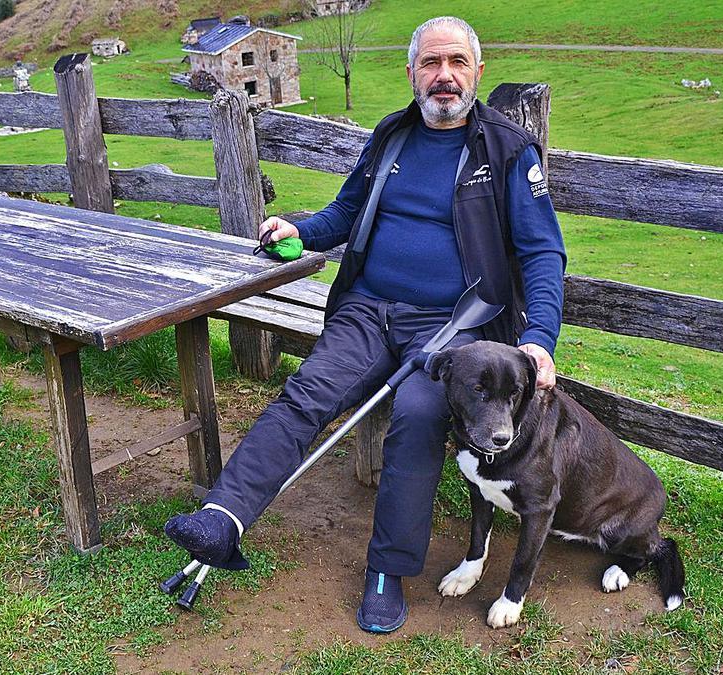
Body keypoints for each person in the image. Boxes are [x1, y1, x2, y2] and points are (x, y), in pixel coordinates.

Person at [164, 15, 566, 634]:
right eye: (431, 64)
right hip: (367, 311)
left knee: (420, 414)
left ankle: (387, 571)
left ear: (476, 73)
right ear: (411, 73)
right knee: (309, 392)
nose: (444, 77)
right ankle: (222, 517)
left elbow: (542, 253)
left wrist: (538, 338)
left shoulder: (507, 151)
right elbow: (349, 211)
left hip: (456, 326)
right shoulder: (392, 137)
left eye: (457, 63)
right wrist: (302, 228)